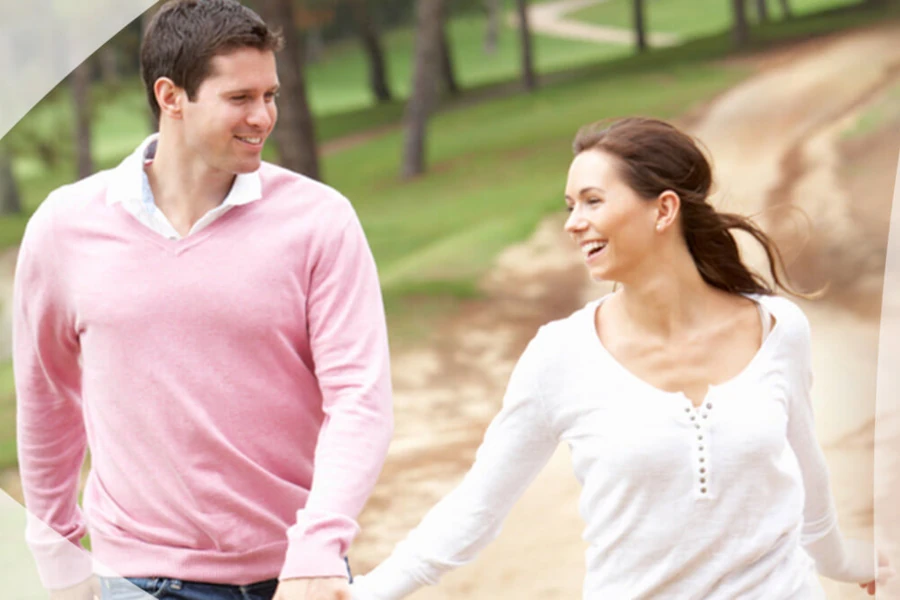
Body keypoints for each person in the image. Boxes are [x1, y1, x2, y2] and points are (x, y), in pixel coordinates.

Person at [349, 117, 891, 599]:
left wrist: (851, 562)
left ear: (664, 210)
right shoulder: (560, 357)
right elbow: (477, 508)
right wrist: (368, 592)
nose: (572, 222)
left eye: (592, 201)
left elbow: (807, 483)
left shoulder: (776, 329)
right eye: (569, 207)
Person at [13, 1, 393, 599]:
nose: (263, 116)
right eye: (240, 98)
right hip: (138, 579)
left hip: (297, 577)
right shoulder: (65, 227)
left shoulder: (320, 221)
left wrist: (319, 546)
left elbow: (360, 399)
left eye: (270, 95)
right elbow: (47, 397)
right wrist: (58, 557)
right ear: (171, 97)